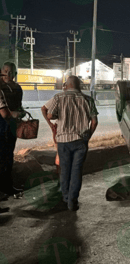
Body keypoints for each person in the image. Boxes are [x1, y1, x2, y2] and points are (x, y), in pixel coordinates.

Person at [45, 76, 98, 211]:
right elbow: (94, 122)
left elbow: (50, 115)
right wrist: (87, 137)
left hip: (63, 142)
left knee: (65, 170)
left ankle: (65, 197)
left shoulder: (58, 98)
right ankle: (73, 201)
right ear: (79, 86)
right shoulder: (88, 100)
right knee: (76, 171)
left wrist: (57, 117)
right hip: (81, 141)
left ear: (67, 85)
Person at [0, 62, 25, 196]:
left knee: (9, 156)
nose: (8, 74)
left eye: (11, 72)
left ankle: (8, 187)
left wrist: (21, 112)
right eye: (5, 71)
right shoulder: (1, 88)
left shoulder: (17, 88)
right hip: (1, 124)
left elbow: (19, 106)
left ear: (15, 74)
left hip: (12, 126)